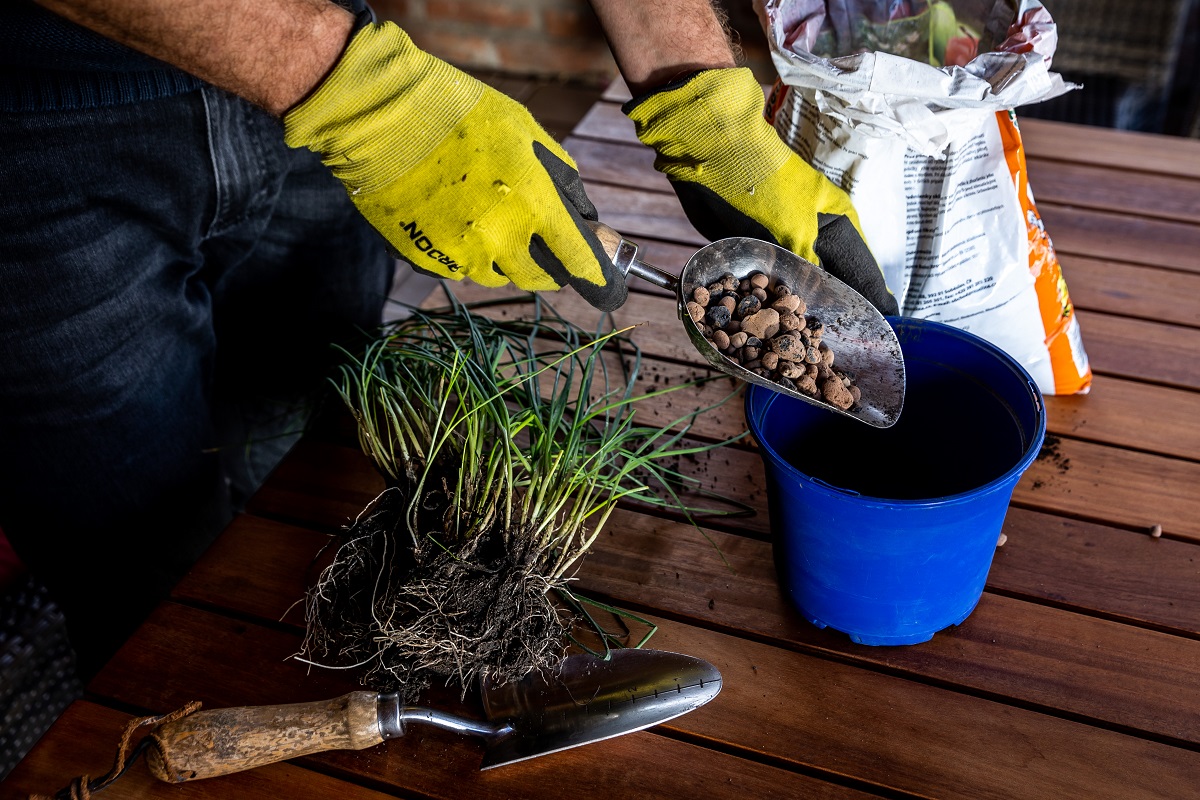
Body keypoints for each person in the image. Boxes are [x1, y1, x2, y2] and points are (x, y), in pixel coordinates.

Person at [0, 0, 895, 680]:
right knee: (144, 576)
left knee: (309, 452)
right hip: (38, 127)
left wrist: (699, 97)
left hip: (328, 51)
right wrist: (358, 93)